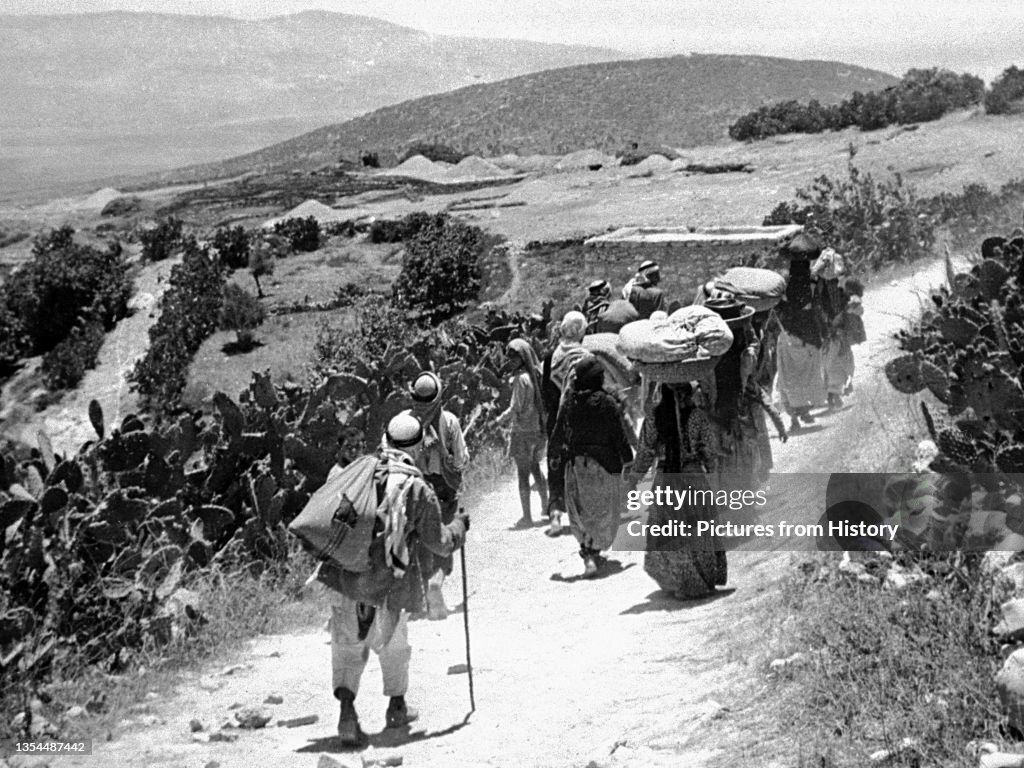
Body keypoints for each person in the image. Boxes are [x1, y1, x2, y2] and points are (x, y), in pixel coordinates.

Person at [317, 412, 470, 746]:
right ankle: (397, 707)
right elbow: (439, 541)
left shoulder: (356, 473)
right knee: (394, 643)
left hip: (348, 577)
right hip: (391, 582)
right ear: (416, 448)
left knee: (346, 644)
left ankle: (347, 715)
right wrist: (459, 527)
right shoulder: (417, 487)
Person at [628, 381, 727, 599]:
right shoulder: (698, 417)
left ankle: (682, 580)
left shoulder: (654, 419)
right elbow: (708, 450)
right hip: (694, 478)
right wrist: (711, 469)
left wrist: (633, 478)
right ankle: (701, 579)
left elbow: (645, 452)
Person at [549, 357, 634, 577]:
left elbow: (558, 432)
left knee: (581, 512)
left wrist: (554, 456)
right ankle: (594, 550)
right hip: (604, 466)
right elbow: (619, 436)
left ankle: (588, 554)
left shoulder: (570, 402)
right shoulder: (607, 402)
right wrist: (629, 461)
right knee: (603, 513)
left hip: (576, 465)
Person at [408, 371, 469, 620]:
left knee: (421, 542)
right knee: (444, 540)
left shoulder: (406, 423)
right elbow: (462, 459)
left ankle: (422, 598)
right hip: (443, 490)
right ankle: (436, 583)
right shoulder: (450, 422)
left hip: (416, 490)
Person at [544, 311, 594, 536]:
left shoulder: (550, 356)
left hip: (556, 419)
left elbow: (546, 392)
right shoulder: (586, 356)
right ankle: (582, 513)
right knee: (580, 463)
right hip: (580, 420)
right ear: (582, 331)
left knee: (556, 462)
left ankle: (555, 513)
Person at [776, 233, 828, 432]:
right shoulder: (813, 284)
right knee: (808, 375)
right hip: (808, 335)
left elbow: (780, 308)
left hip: (788, 334)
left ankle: (795, 416)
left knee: (788, 377)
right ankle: (804, 410)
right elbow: (818, 309)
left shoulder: (784, 286)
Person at [496, 338, 549, 528]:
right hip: (536, 429)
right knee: (535, 468)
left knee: (523, 475)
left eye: (513, 357)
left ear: (522, 358)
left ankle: (527, 516)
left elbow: (515, 408)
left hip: (522, 432)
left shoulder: (520, 379)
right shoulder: (533, 375)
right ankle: (545, 506)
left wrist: (498, 421)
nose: (509, 360)